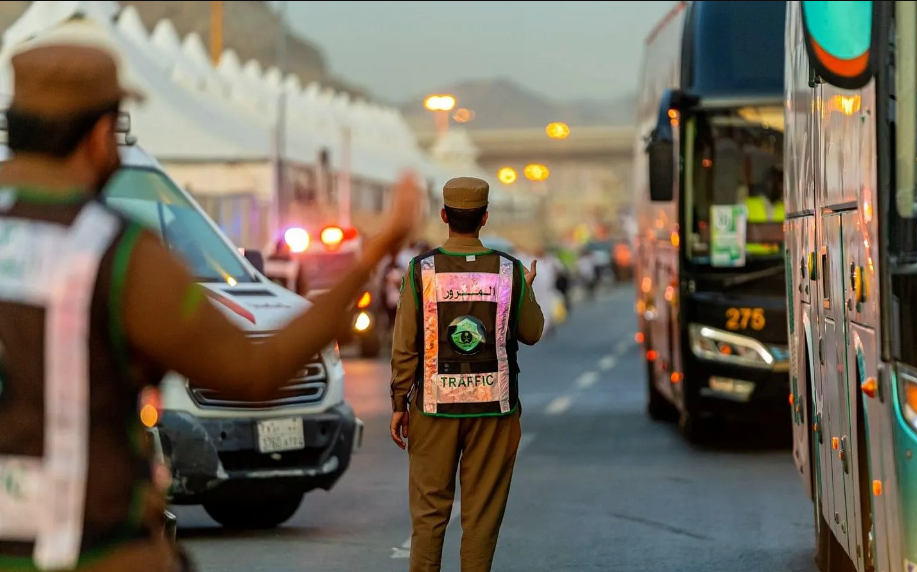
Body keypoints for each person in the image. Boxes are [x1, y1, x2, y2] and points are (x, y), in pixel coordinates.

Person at [0, 24, 420, 572]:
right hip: (90, 545)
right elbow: (253, 369)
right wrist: (374, 253)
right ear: (101, 136)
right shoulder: (112, 252)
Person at [389, 177, 544, 572]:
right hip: (495, 412)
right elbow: (532, 332)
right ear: (485, 218)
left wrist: (398, 403)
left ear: (444, 216)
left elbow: (405, 346)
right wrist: (525, 289)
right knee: (481, 518)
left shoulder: (420, 270)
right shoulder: (509, 271)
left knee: (428, 516)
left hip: (433, 408)